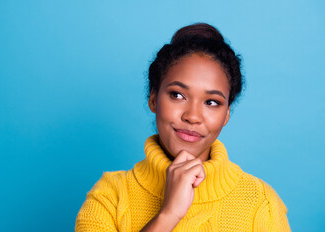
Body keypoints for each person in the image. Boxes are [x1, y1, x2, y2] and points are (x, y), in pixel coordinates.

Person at [75, 23, 291, 232]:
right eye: (177, 95)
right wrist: (168, 215)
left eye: (212, 102)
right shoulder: (110, 197)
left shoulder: (262, 204)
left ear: (226, 115)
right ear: (153, 99)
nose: (193, 116)